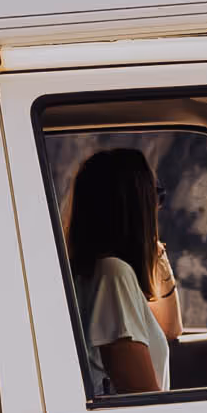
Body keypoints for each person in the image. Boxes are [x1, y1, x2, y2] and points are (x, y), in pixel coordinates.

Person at [64, 147, 181, 394]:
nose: (158, 208)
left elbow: (169, 328)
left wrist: (156, 251)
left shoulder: (96, 272)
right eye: (155, 196)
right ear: (137, 206)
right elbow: (141, 397)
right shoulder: (112, 275)